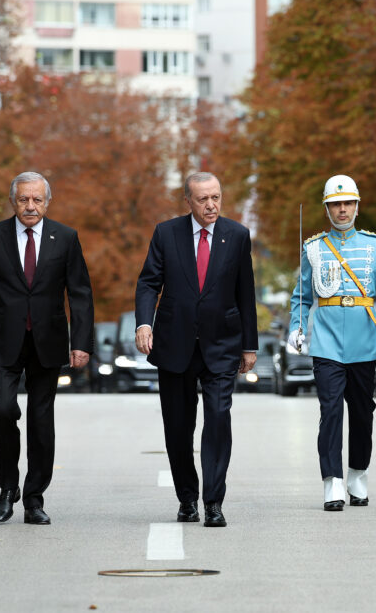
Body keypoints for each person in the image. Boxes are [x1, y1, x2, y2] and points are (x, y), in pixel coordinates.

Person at [0, 172, 94, 525]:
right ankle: (8, 487)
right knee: (5, 410)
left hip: (48, 342)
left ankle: (34, 498)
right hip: (3, 342)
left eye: (37, 200)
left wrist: (82, 343)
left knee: (41, 421)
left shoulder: (65, 238)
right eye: (24, 199)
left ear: (47, 202)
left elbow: (80, 293)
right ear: (13, 201)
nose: (30, 206)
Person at [134, 172, 258, 528]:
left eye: (216, 197)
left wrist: (249, 344)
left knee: (218, 419)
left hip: (222, 344)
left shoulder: (236, 235)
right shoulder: (166, 233)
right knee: (178, 427)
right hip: (175, 345)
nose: (211, 205)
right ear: (187, 201)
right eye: (203, 199)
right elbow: (148, 283)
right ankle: (187, 499)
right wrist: (144, 323)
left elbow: (245, 292)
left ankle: (214, 501)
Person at [289, 175, 376, 511]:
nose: (342, 209)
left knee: (363, 411)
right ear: (327, 208)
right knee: (331, 410)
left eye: (348, 203)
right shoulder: (313, 247)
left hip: (365, 341)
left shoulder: (375, 245)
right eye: (336, 204)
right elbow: (302, 295)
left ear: (356, 206)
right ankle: (332, 481)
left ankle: (357, 473)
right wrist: (296, 327)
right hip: (325, 343)